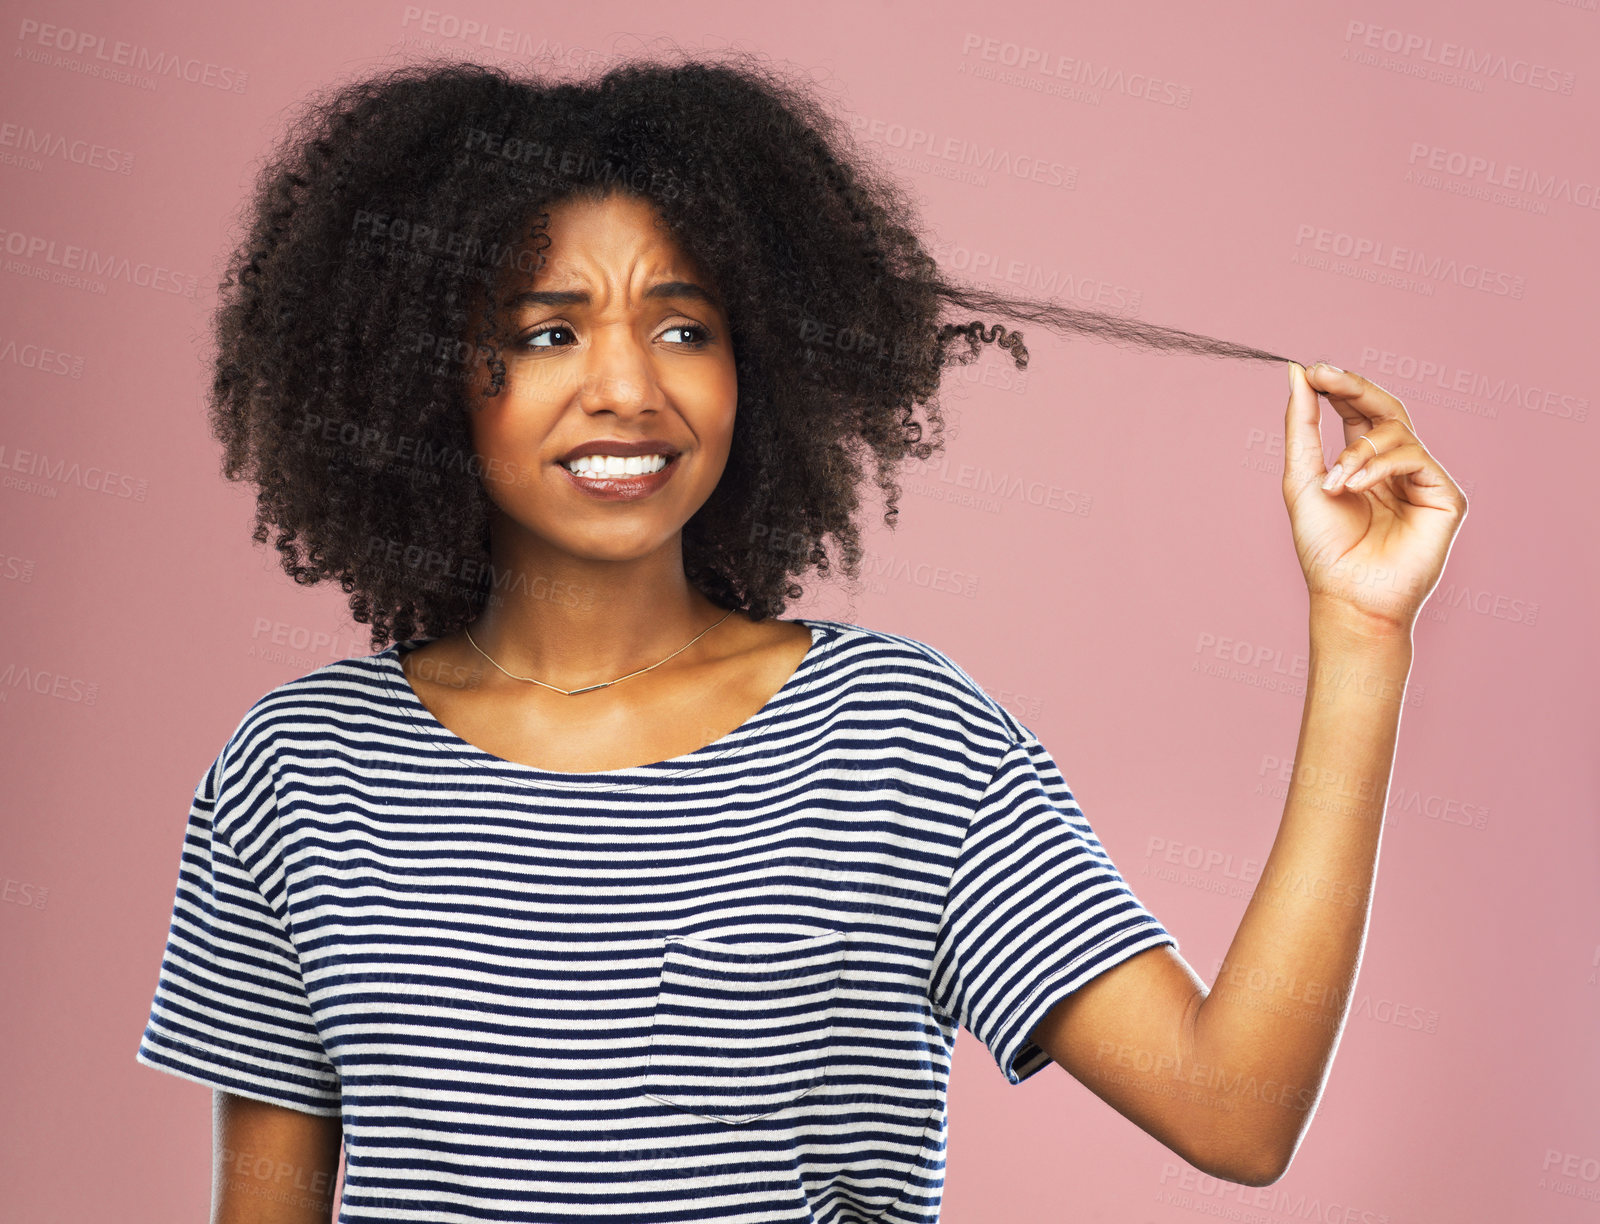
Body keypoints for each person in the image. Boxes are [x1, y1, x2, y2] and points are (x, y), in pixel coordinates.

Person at [134, 53, 1468, 1223]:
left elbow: (1235, 1115)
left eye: (684, 328)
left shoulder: (899, 738)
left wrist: (1362, 631)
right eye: (546, 333)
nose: (626, 388)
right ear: (414, 372)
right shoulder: (297, 770)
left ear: (756, 364)